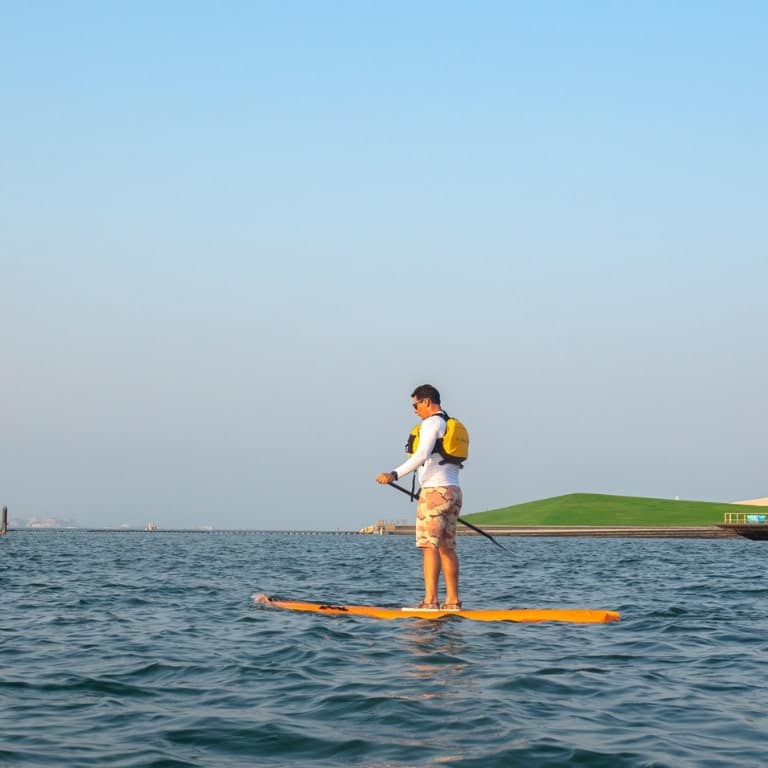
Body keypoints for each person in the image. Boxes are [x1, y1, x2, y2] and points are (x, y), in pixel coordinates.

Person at [376, 384, 463, 610]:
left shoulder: (431, 423)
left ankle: (430, 601)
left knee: (429, 546)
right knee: (446, 548)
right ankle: (452, 601)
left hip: (434, 492)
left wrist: (394, 474)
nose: (415, 411)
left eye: (415, 405)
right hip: (453, 491)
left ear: (426, 402)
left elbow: (421, 455)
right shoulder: (447, 423)